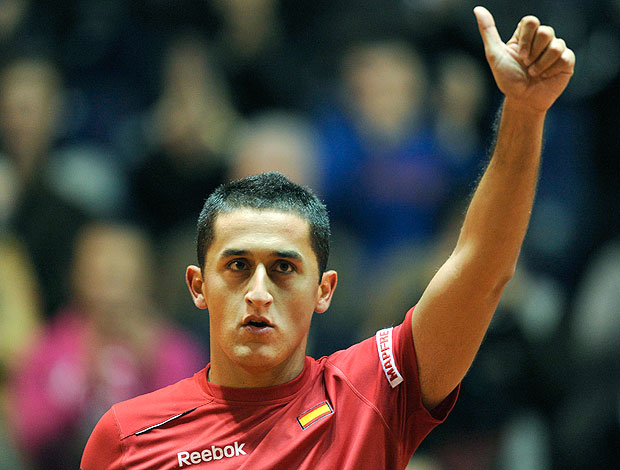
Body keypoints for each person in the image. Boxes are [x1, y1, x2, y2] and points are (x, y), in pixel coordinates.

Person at [80, 7, 575, 469]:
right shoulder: (127, 437)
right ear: (197, 285)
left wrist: (524, 114)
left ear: (325, 289)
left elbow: (481, 268)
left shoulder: (372, 394)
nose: (258, 292)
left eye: (284, 268)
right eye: (236, 266)